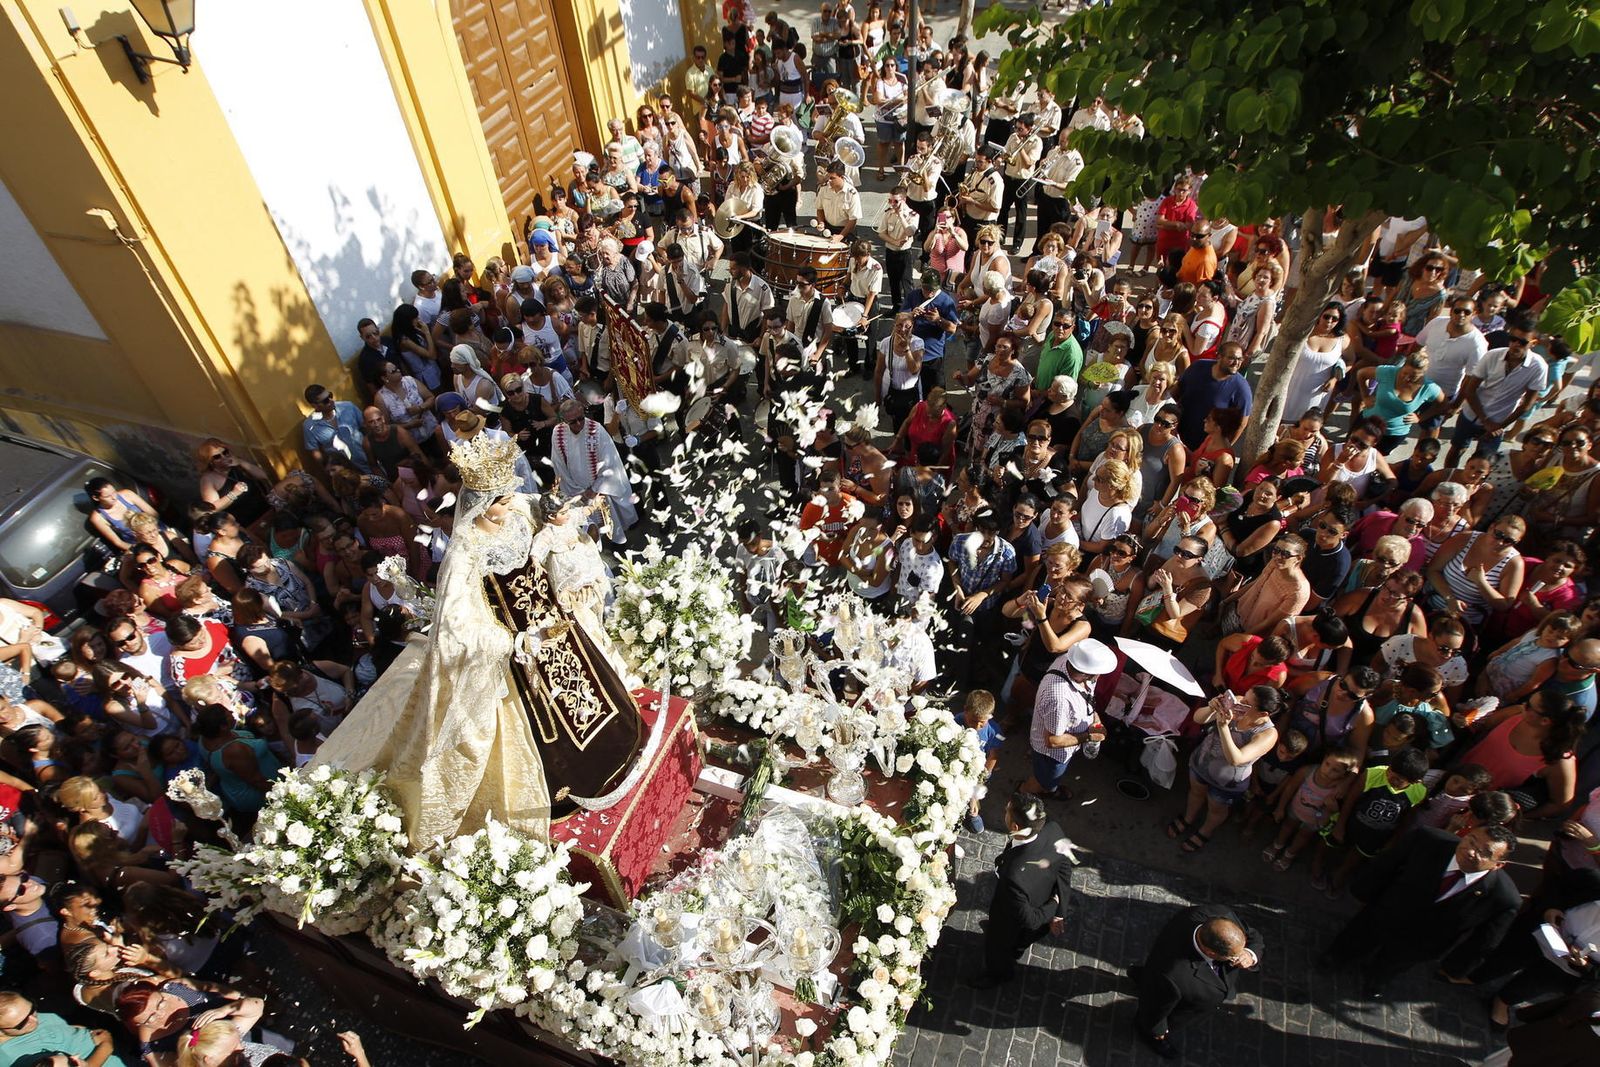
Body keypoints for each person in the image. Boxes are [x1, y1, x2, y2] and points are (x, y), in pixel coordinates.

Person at [313, 434, 648, 843]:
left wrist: (554, 514)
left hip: (559, 626)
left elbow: (538, 508)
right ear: (480, 504)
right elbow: (458, 624)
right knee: (549, 721)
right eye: (501, 501)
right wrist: (512, 643)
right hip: (524, 647)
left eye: (509, 497)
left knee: (591, 692)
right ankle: (569, 779)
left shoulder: (518, 510)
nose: (510, 505)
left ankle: (618, 741)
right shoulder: (465, 551)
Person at [1322, 825, 1520, 998]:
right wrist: (1363, 891)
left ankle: (1375, 979)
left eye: (1484, 852)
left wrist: (1456, 968)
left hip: (1423, 942)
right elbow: (1386, 865)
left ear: (1498, 864)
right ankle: (1336, 957)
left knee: (1392, 965)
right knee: (1355, 939)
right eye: (1471, 840)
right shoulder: (1429, 840)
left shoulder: (1503, 898)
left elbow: (1484, 941)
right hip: (1385, 912)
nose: (1471, 851)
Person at [969, 792, 1077, 990]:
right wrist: (1060, 912)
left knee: (999, 948)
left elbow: (1031, 920)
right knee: (1017, 941)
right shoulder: (1053, 828)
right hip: (1034, 898)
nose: (1005, 812)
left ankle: (998, 974)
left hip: (1011, 919)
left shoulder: (1013, 876)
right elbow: (1064, 869)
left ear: (1015, 827)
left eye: (1006, 812)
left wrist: (1054, 906)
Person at [1130, 905, 1261, 1060]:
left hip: (1163, 979)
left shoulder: (1221, 915)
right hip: (1174, 998)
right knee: (1156, 998)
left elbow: (1253, 936)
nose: (1238, 958)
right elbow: (1153, 1011)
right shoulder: (1173, 976)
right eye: (1232, 957)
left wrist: (1250, 954)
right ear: (1210, 952)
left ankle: (1143, 977)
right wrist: (1157, 1031)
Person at [549, 398, 637, 544]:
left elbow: (610, 463)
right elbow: (559, 465)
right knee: (588, 529)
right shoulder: (558, 434)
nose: (578, 424)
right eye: (572, 421)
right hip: (575, 490)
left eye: (580, 419)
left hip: (599, 487)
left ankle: (619, 544)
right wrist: (576, 491)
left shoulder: (596, 430)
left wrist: (595, 489)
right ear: (564, 421)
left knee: (609, 522)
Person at [0, 991, 125, 1067]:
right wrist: (106, 1045)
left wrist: (84, 1030)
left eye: (32, 1010)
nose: (35, 1020)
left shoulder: (25, 1016)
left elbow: (60, 1027)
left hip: (124, 1053)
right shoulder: (8, 1056)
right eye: (23, 1023)